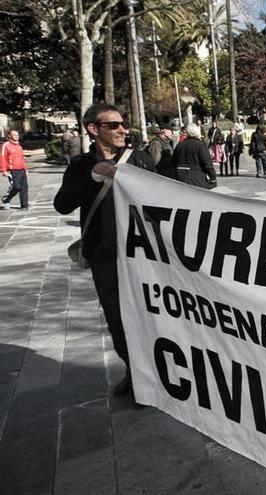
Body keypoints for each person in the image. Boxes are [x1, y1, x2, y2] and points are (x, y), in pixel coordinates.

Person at [53, 103, 156, 399]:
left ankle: (153, 375)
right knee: (117, 319)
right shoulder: (81, 166)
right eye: (114, 125)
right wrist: (93, 178)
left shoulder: (139, 159)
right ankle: (135, 375)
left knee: (148, 316)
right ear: (93, 129)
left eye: (123, 124)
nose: (123, 129)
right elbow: (62, 204)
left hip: (144, 255)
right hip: (105, 255)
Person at [173, 124, 216, 189]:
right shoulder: (200, 145)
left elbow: (174, 161)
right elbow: (207, 163)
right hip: (196, 178)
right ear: (197, 133)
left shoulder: (179, 145)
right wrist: (213, 178)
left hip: (180, 178)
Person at [1, 130, 28, 210]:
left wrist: (25, 169)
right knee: (16, 187)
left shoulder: (19, 146)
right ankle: (6, 198)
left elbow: (22, 158)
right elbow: (2, 157)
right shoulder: (6, 145)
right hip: (13, 170)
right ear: (9, 136)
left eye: (17, 135)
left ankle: (24, 205)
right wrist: (4, 170)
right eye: (14, 135)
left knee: (24, 188)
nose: (17, 136)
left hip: (21, 169)